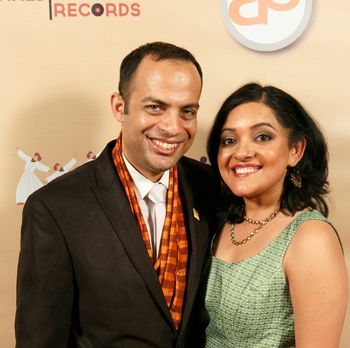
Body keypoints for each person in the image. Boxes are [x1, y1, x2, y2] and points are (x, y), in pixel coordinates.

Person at [15, 42, 220, 348]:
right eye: (155, 107)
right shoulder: (55, 207)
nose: (173, 127)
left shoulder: (212, 187)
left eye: (187, 111)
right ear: (119, 107)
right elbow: (40, 339)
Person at [201, 82, 348, 347]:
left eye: (263, 137)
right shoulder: (219, 221)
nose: (242, 152)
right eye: (229, 140)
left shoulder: (310, 238)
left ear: (296, 150)